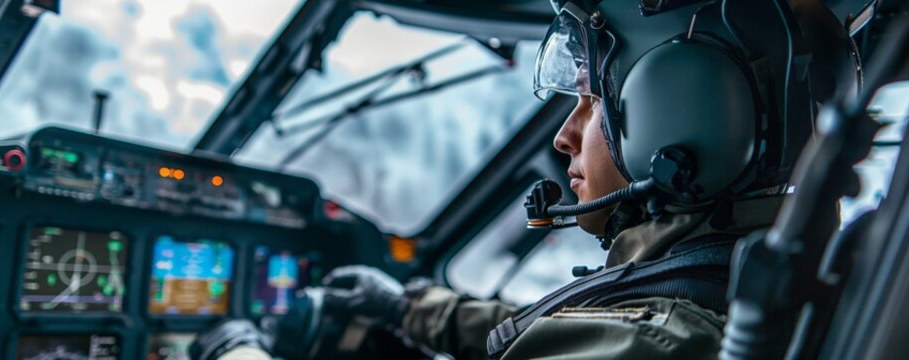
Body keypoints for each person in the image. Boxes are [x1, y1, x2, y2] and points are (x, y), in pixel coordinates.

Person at [191, 0, 858, 359]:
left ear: (682, 110)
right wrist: (405, 308)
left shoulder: (655, 342)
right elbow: (559, 329)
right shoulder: (745, 282)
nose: (563, 136)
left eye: (590, 99)